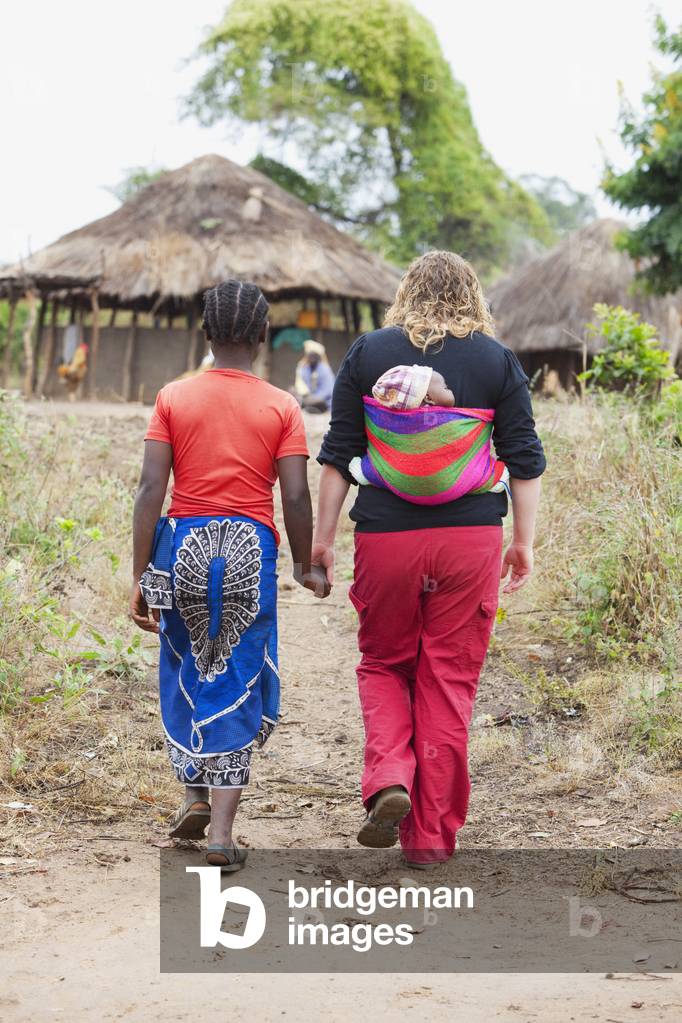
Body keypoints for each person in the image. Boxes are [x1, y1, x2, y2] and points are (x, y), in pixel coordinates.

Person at [313, 251, 546, 868]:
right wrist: (522, 542)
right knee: (448, 680)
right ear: (474, 295)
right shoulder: (496, 361)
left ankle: (390, 777)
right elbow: (523, 458)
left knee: (385, 663)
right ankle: (430, 844)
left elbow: (339, 454)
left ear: (405, 293)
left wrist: (322, 540)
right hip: (470, 539)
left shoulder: (368, 352)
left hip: (385, 536)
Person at [130, 279, 329, 872]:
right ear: (264, 334)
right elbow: (294, 495)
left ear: (206, 334)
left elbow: (149, 490)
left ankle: (192, 792)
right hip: (248, 553)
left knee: (183, 664)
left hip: (180, 549)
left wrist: (140, 575)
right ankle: (219, 833)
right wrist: (301, 562)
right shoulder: (281, 406)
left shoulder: (173, 397)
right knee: (236, 675)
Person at [347, 363, 510, 497]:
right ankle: (492, 479)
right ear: (429, 398)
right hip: (454, 484)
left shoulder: (388, 418)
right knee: (487, 474)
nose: (450, 390)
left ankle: (366, 472)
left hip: (396, 479)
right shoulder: (439, 418)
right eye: (446, 387)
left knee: (376, 469)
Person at [294, 339, 335, 412]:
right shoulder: (305, 369)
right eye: (310, 354)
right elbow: (302, 388)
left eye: (314, 355)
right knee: (291, 391)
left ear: (319, 357)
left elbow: (327, 392)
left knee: (316, 401)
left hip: (324, 403)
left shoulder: (325, 370)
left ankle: (303, 404)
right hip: (309, 399)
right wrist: (299, 368)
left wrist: (310, 399)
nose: (312, 357)